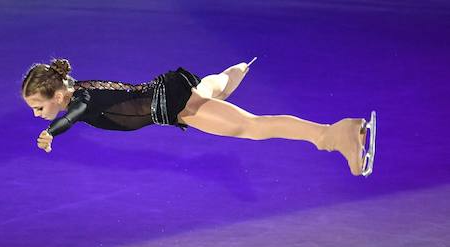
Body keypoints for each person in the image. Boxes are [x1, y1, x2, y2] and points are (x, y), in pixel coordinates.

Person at [22, 58, 375, 176]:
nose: (39, 114)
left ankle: (334, 134)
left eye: (40, 106)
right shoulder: (80, 89)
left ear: (58, 95)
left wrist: (53, 131)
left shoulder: (80, 98)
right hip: (171, 98)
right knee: (215, 88)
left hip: (177, 106)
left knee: (251, 127)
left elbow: (76, 114)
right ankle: (234, 70)